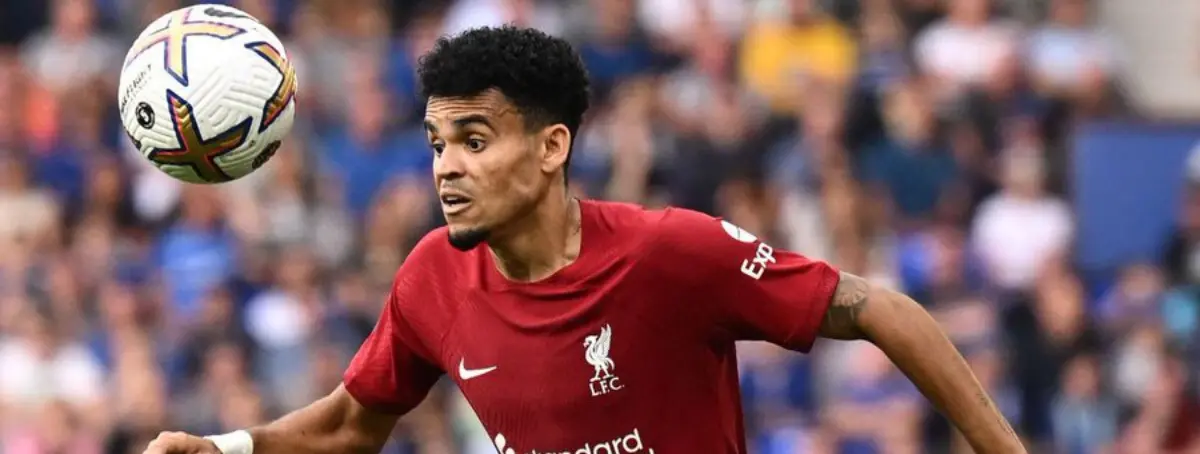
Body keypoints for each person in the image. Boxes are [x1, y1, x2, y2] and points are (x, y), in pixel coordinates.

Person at [143, 26, 1025, 454]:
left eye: (475, 140)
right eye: (438, 144)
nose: (447, 168)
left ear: (551, 147)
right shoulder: (432, 277)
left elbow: (878, 309)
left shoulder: (667, 253)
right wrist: (226, 448)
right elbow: (348, 426)